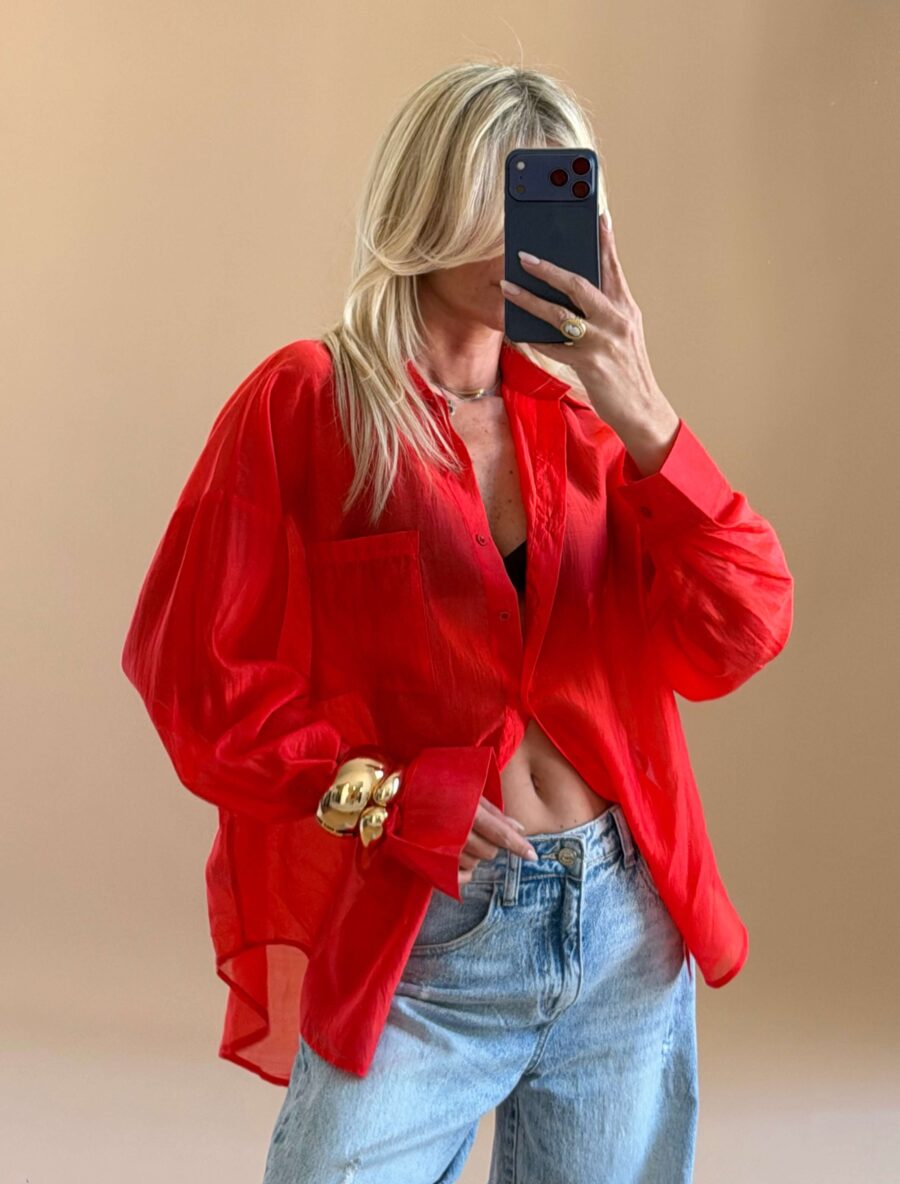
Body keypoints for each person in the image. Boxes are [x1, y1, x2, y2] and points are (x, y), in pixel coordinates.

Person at [120, 62, 794, 1184]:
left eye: (557, 194)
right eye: (508, 193)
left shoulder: (587, 430)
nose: (534, 233)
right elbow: (196, 671)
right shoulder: (309, 402)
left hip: (620, 930)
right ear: (431, 201)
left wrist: (646, 414)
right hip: (433, 934)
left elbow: (745, 626)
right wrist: (382, 793)